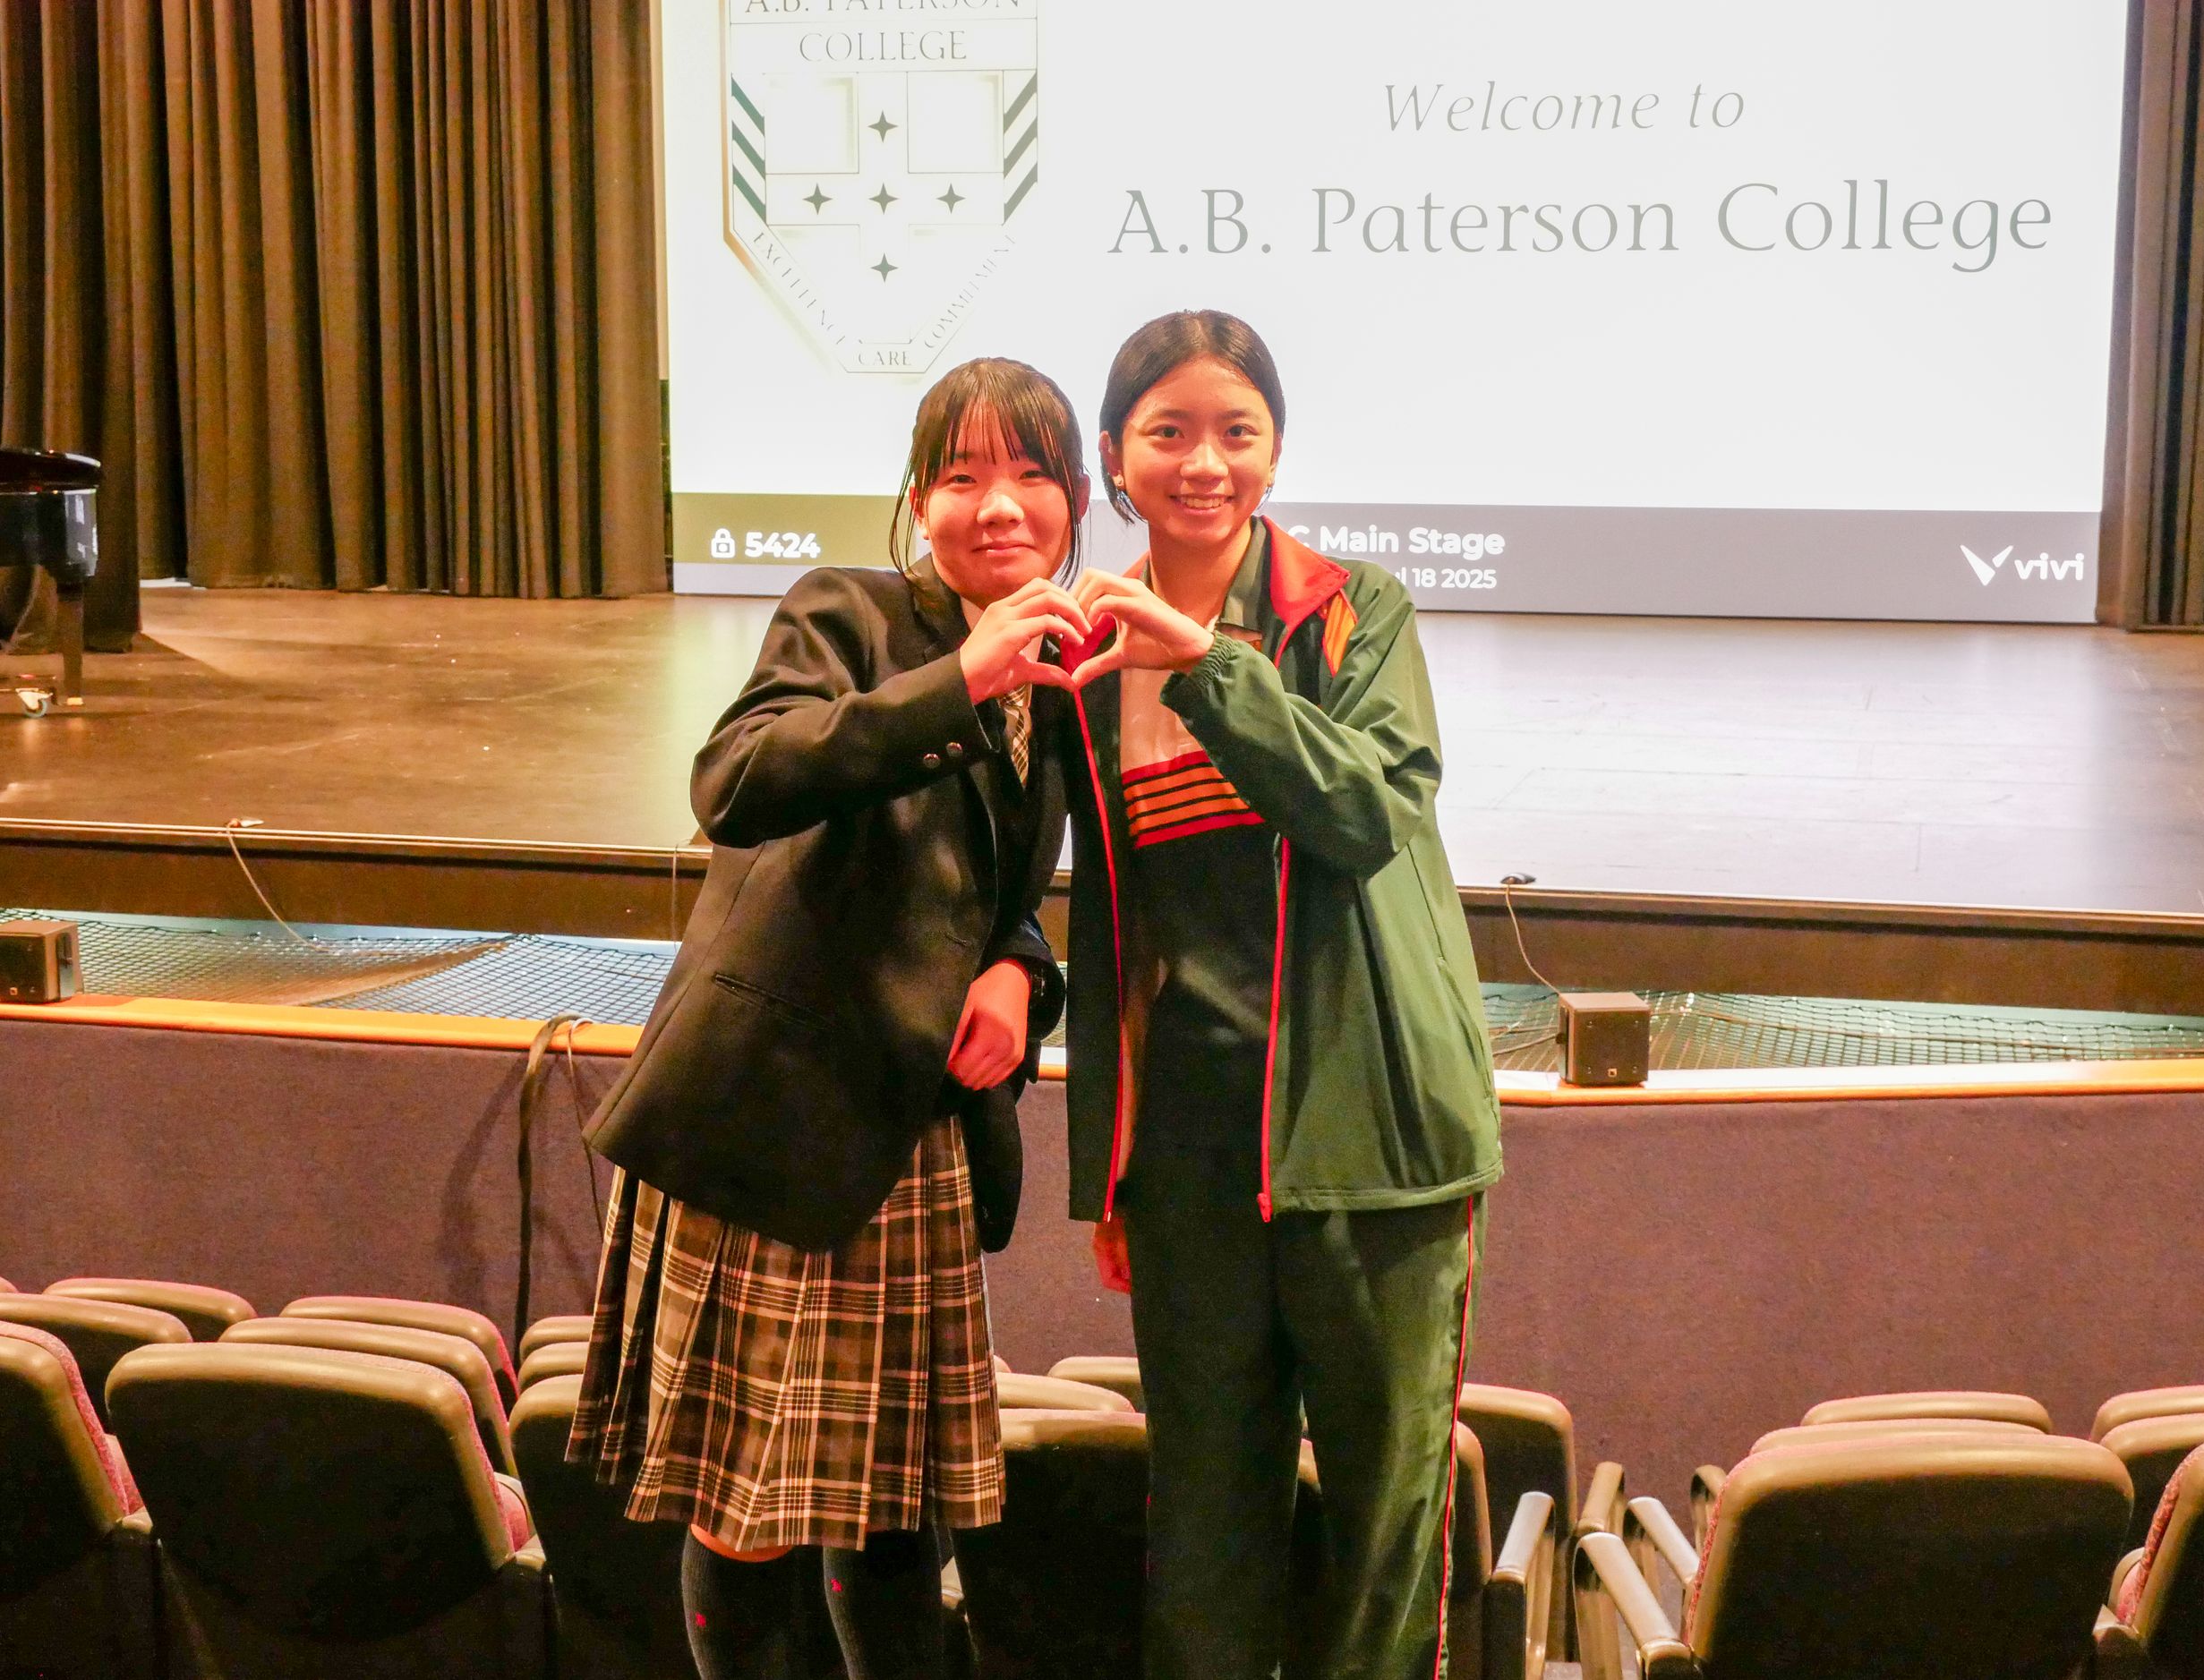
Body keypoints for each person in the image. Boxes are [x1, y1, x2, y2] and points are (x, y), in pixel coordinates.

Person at [568, 357, 1093, 1680]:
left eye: (1032, 473)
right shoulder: (846, 611)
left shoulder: (1064, 671)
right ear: (918, 499)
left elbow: (998, 895)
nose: (999, 503)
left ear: (1077, 500)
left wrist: (1022, 974)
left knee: (898, 1519)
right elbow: (736, 782)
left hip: (911, 1133)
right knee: (741, 1509)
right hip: (779, 1116)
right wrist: (959, 677)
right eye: (962, 475)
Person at [1056, 310, 1503, 1679]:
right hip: (1193, 1165)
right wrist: (1113, 1166)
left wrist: (1205, 668)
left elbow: (1364, 811)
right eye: (1169, 432)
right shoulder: (1085, 658)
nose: (1205, 462)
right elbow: (1112, 928)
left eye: (1236, 432)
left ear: (1276, 450)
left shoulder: (1354, 610)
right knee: (1202, 1538)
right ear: (1116, 458)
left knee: (1381, 1547)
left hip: (1373, 1147)